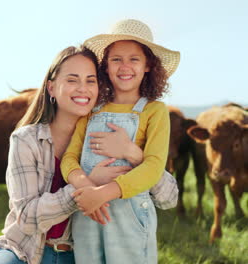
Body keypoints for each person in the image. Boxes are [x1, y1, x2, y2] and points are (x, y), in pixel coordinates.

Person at [0, 45, 145, 264]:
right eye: (72, 80)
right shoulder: (26, 140)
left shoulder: (109, 137)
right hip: (23, 250)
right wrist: (86, 185)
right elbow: (26, 218)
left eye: (90, 80)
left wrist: (134, 153)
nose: (83, 89)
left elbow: (168, 196)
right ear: (51, 88)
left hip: (81, 256)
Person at [60, 19, 180, 264]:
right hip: (89, 211)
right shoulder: (91, 110)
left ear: (148, 65)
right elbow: (69, 159)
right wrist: (87, 188)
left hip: (131, 215)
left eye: (134, 59)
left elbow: (153, 166)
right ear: (105, 66)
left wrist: (105, 192)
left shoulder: (154, 111)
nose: (125, 66)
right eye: (116, 59)